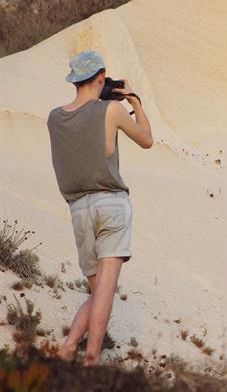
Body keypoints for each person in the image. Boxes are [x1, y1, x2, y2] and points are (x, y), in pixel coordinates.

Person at [47, 50, 153, 365]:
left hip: (78, 210)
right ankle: (92, 358)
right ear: (101, 77)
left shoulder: (55, 117)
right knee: (106, 289)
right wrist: (133, 100)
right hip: (110, 204)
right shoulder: (110, 110)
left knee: (98, 292)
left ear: (74, 80)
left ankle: (67, 349)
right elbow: (146, 140)